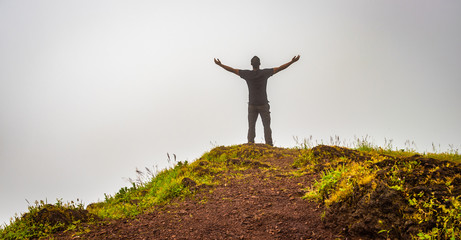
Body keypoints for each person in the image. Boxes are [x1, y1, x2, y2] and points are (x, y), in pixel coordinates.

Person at [214, 55, 300, 146]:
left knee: (251, 127)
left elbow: (232, 70)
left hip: (252, 105)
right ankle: (269, 145)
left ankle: (250, 144)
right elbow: (279, 68)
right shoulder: (264, 73)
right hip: (263, 104)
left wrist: (221, 65)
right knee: (266, 126)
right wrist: (292, 62)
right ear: (259, 64)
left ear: (251, 64)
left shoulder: (247, 74)